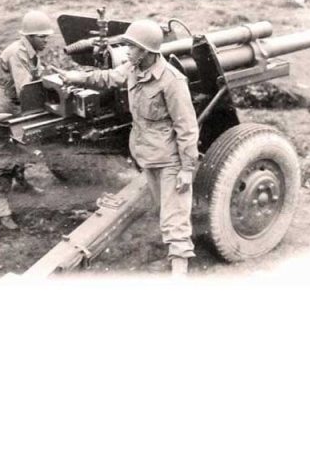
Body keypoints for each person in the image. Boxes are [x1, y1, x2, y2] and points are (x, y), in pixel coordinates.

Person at [51, 19, 199, 276]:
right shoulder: (133, 67)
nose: (127, 51)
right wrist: (76, 77)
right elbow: (108, 78)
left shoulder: (172, 81)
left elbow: (187, 127)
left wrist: (187, 168)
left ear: (146, 51)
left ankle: (179, 270)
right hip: (145, 154)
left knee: (175, 217)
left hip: (169, 159)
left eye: (132, 46)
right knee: (163, 207)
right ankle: (169, 247)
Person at [0, 10, 54, 230]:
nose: (46, 40)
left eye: (47, 36)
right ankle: (2, 205)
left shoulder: (31, 52)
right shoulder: (18, 53)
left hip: (17, 107)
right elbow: (26, 89)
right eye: (42, 36)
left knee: (21, 146)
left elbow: (36, 79)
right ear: (30, 36)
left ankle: (21, 182)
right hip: (2, 109)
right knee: (4, 155)